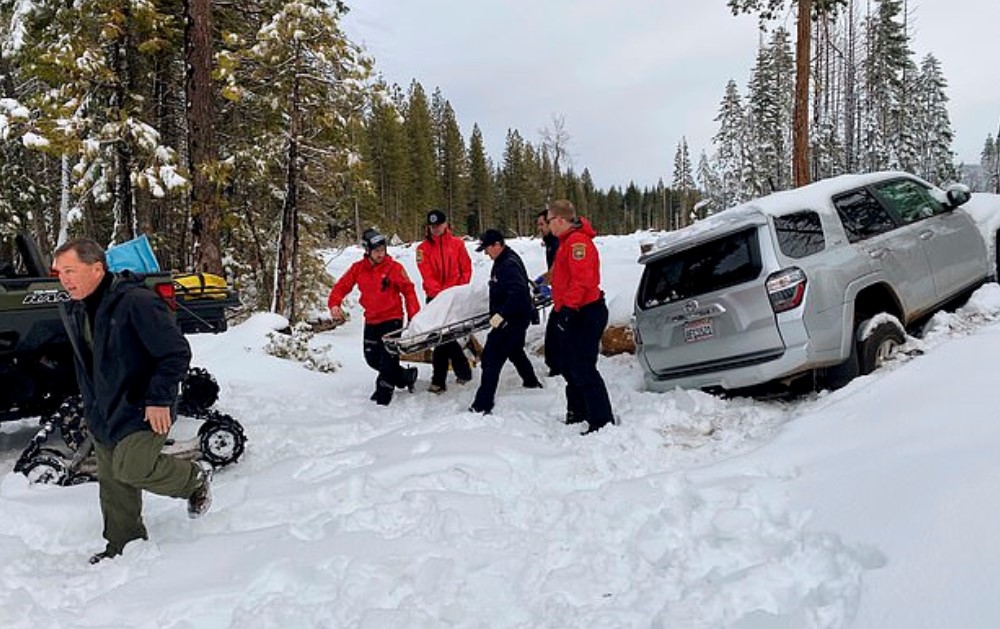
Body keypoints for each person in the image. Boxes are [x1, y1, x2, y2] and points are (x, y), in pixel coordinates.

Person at [53, 238, 211, 565]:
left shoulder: (136, 302)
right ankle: (123, 546)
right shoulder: (75, 305)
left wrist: (158, 399)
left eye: (70, 270)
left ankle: (194, 478)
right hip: (104, 409)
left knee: (132, 467)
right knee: (113, 482)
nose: (64, 279)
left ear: (97, 268)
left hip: (144, 405)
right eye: (59, 272)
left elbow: (175, 353)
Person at [546, 199, 615, 434]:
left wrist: (568, 308)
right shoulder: (565, 242)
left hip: (585, 311)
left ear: (560, 220)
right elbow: (564, 276)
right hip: (573, 310)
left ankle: (602, 420)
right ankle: (577, 412)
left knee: (583, 366)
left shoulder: (577, 243)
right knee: (568, 364)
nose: (547, 226)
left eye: (549, 221)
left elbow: (583, 280)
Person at [328, 228, 420, 406]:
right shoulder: (358, 268)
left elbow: (408, 291)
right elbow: (342, 286)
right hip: (371, 319)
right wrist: (334, 303)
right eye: (376, 251)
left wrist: (413, 316)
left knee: (387, 358)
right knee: (372, 358)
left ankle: (382, 397)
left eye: (383, 250)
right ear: (367, 251)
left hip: (392, 318)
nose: (380, 254)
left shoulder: (394, 268)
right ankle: (405, 377)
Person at [469, 229, 542, 414]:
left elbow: (518, 293)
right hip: (516, 318)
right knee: (515, 351)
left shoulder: (507, 265)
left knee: (491, 358)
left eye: (487, 248)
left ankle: (482, 405)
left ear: (497, 245)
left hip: (512, 320)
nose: (485, 253)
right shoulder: (504, 259)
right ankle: (531, 382)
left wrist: (501, 314)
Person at [416, 209, 473, 393]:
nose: (435, 229)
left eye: (438, 225)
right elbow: (426, 274)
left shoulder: (457, 245)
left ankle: (440, 379)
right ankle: (460, 370)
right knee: (439, 337)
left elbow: (466, 269)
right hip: (435, 298)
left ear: (445, 224)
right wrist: (440, 294)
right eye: (432, 226)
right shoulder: (422, 249)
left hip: (455, 296)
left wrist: (457, 290)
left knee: (446, 337)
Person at [536, 209, 560, 377]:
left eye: (542, 224)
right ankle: (557, 366)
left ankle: (558, 368)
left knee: (555, 334)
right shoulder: (550, 243)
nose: (540, 228)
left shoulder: (559, 242)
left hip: (570, 299)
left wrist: (544, 282)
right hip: (560, 295)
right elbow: (552, 271)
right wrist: (540, 280)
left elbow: (557, 270)